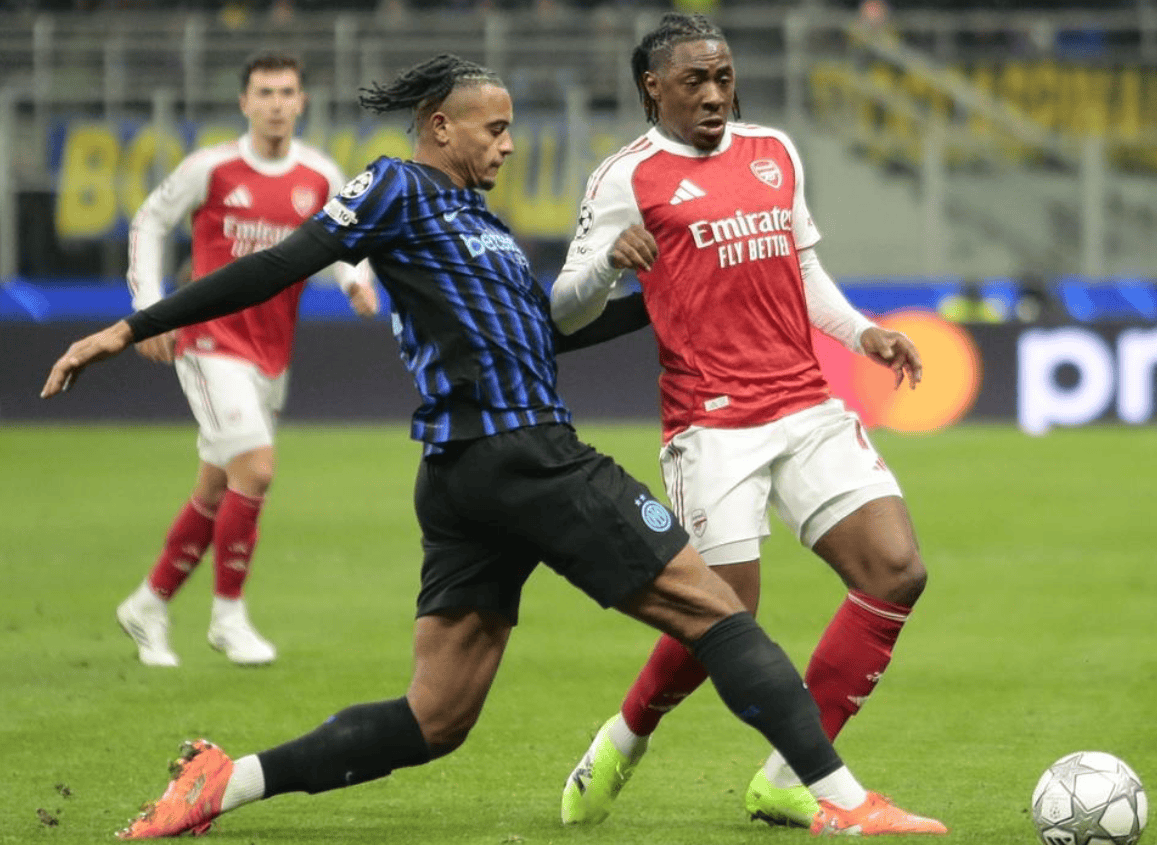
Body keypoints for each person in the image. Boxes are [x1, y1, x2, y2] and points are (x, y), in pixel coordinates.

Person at [41, 54, 944, 840]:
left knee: (435, 718)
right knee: (718, 611)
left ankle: (223, 781)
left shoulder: (485, 231)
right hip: (527, 456)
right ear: (440, 126)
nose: (508, 146)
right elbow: (282, 261)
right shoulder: (396, 188)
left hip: (466, 479)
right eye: (495, 128)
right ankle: (836, 798)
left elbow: (542, 336)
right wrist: (131, 325)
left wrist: (675, 287)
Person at [551, 12, 936, 832]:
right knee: (724, 611)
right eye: (693, 80)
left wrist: (861, 333)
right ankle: (624, 736)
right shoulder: (625, 176)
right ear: (652, 86)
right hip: (711, 422)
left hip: (805, 403)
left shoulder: (773, 151)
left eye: (722, 78)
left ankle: (792, 778)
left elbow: (802, 267)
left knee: (895, 570)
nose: (713, 95)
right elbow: (562, 310)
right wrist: (607, 265)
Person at [115, 50, 380, 668]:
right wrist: (149, 308)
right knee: (256, 468)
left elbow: (345, 240)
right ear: (244, 103)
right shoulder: (210, 168)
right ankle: (228, 616)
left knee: (219, 487)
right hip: (208, 342)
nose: (276, 104)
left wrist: (355, 281)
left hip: (270, 353)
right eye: (264, 93)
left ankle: (148, 604)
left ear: (302, 102)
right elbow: (149, 221)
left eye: (286, 92)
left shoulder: (319, 174)